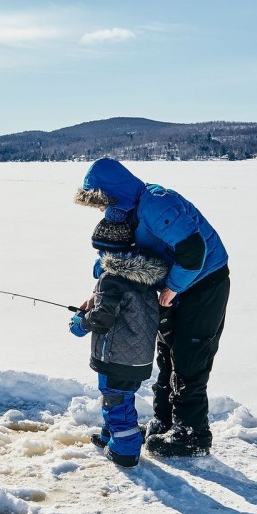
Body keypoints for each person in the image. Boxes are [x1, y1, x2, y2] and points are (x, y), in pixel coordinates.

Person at [74, 158, 230, 457]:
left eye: (102, 199)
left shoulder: (157, 204)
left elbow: (193, 251)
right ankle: (163, 422)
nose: (100, 207)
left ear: (113, 191)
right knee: (166, 353)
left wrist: (174, 287)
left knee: (189, 357)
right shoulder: (123, 209)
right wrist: (100, 291)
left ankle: (192, 435)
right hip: (172, 286)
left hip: (204, 283)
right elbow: (119, 257)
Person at [69, 218, 168, 467]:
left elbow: (102, 318)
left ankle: (125, 451)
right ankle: (110, 435)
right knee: (119, 399)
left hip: (116, 358)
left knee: (117, 402)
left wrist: (80, 323)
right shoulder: (144, 277)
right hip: (137, 356)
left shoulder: (111, 278)